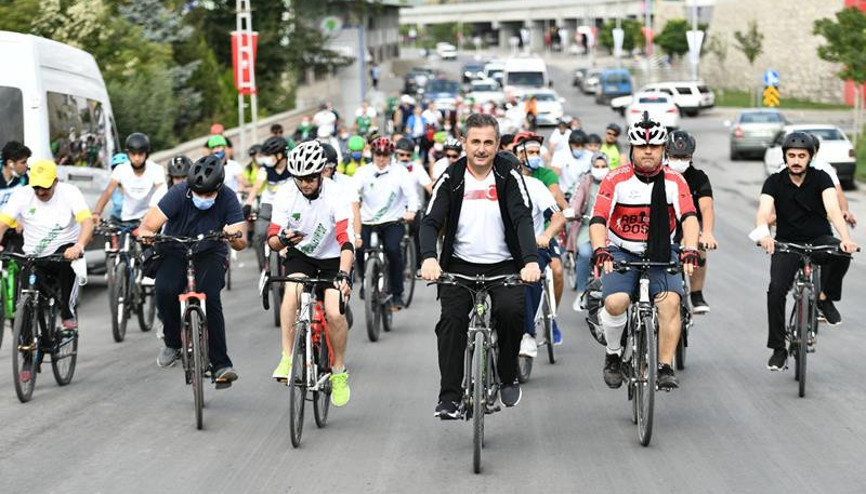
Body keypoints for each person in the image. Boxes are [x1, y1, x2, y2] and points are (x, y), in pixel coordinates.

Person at [420, 113, 540, 418]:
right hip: (460, 266)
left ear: (498, 144)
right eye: (475, 142)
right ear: (464, 143)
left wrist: (529, 261)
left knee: (512, 313)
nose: (482, 149)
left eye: (489, 142)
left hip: (503, 265)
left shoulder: (508, 175)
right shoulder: (452, 176)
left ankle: (508, 373)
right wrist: (429, 257)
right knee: (451, 323)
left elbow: (522, 218)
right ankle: (449, 396)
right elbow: (431, 221)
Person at [590, 113, 700, 391]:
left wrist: (689, 249)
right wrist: (600, 249)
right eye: (641, 147)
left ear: (664, 150)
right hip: (622, 251)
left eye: (654, 147)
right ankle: (614, 354)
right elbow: (599, 219)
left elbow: (688, 216)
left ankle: (664, 366)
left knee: (671, 303)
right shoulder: (616, 180)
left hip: (662, 252)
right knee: (615, 303)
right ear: (632, 149)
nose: (648, 152)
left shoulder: (675, 180)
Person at [138, 156, 245, 387]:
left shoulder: (228, 198)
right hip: (175, 249)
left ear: (218, 188)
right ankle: (172, 342)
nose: (202, 198)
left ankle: (221, 364)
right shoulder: (178, 193)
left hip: (210, 251)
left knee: (211, 296)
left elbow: (240, 240)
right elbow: (147, 226)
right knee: (165, 288)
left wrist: (231, 236)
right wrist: (147, 234)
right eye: (198, 193)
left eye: (208, 194)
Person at [755, 132, 858, 370]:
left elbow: (833, 210)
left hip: (819, 238)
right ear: (785, 157)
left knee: (843, 254)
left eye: (802, 155)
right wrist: (764, 236)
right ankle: (778, 348)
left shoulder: (821, 178)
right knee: (775, 291)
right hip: (787, 243)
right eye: (791, 155)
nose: (796, 160)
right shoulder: (774, 181)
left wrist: (846, 239)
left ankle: (825, 299)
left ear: (810, 157)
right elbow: (763, 213)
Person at [266, 141, 355, 405]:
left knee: (334, 312)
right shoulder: (284, 193)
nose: (304, 184)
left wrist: (344, 275)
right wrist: (282, 240)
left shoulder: (335, 194)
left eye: (309, 178)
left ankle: (338, 372)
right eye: (299, 179)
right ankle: (287, 357)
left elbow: (346, 240)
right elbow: (272, 240)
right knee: (291, 293)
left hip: (334, 256)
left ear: (321, 174)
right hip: (301, 253)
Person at [0, 160, 93, 329]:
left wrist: (78, 246)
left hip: (62, 253)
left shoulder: (70, 193)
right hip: (33, 256)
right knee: (26, 299)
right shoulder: (22, 195)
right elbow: (3, 223)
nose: (40, 192)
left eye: (45, 187)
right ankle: (27, 343)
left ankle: (67, 311)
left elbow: (87, 222)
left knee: (69, 263)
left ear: (56, 182)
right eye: (36, 187)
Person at [512, 132, 568, 328]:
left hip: (543, 233)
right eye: (532, 152)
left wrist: (566, 209)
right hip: (513, 241)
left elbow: (555, 195)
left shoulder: (543, 176)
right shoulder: (506, 177)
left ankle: (551, 315)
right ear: (519, 156)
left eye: (538, 151)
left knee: (557, 270)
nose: (536, 155)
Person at [354, 137, 418, 308]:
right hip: (367, 220)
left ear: (390, 155)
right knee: (359, 249)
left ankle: (397, 293)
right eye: (378, 154)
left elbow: (412, 195)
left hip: (392, 220)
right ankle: (366, 281)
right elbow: (352, 194)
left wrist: (411, 211)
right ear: (372, 154)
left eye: (385, 154)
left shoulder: (400, 172)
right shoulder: (362, 172)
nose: (381, 158)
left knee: (393, 250)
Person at [665, 130, 717, 313]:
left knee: (699, 250)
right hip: (665, 225)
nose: (679, 161)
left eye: (684, 157)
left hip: (691, 225)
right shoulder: (658, 175)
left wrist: (708, 232)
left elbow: (707, 207)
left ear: (691, 156)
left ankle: (696, 294)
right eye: (675, 156)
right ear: (666, 154)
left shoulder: (699, 177)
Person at [93, 133, 165, 225]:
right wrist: (96, 213)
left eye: (140, 154)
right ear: (128, 154)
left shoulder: (156, 169)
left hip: (150, 218)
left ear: (146, 154)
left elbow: (162, 192)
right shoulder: (121, 169)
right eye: (133, 154)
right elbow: (108, 191)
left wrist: (151, 216)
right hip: (128, 219)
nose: (137, 158)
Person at [244, 136, 293, 270]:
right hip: (268, 206)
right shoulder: (264, 169)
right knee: (259, 236)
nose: (266, 159)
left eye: (269, 155)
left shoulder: (293, 166)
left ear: (279, 155)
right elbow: (256, 187)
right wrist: (248, 203)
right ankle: (264, 268)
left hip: (289, 206)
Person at [565, 152, 609, 300]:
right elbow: (577, 199)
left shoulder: (612, 181)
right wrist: (573, 212)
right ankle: (581, 292)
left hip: (608, 229)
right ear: (591, 167)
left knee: (612, 257)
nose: (600, 169)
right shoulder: (585, 181)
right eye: (596, 166)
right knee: (584, 253)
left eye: (603, 166)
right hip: (586, 226)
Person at [552, 129, 592, 196]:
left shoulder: (590, 156)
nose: (580, 148)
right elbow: (555, 174)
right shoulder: (560, 155)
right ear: (570, 144)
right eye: (576, 145)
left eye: (582, 146)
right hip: (565, 193)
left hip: (584, 195)